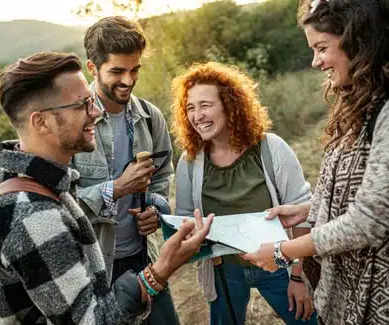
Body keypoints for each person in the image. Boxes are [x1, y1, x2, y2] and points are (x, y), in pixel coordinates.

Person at [0, 51, 213, 324]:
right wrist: (160, 271)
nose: (96, 112)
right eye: (81, 106)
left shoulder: (43, 185)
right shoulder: (32, 215)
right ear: (41, 122)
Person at [242, 1, 389, 324]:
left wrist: (283, 250)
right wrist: (310, 210)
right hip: (340, 298)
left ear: (359, 40)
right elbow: (352, 188)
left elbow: (371, 220)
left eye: (321, 48)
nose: (315, 61)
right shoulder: (355, 104)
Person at [170, 61, 318, 325]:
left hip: (278, 264)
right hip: (223, 271)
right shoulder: (190, 162)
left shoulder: (271, 149)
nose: (197, 115)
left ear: (229, 104)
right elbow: (184, 219)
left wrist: (299, 275)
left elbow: (302, 212)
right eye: (190, 108)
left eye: (205, 105)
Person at [70, 16, 179, 324]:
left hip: (144, 258)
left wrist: (156, 209)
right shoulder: (73, 122)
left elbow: (161, 177)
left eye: (135, 70)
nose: (128, 81)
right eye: (117, 71)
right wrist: (117, 188)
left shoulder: (150, 117)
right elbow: (59, 204)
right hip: (92, 266)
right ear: (92, 68)